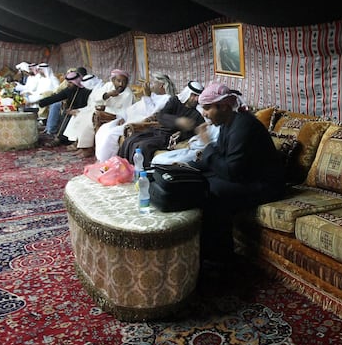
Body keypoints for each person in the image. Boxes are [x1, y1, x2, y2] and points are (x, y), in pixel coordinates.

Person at [190, 81, 285, 260]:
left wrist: (207, 145)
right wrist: (188, 168)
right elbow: (221, 157)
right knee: (195, 178)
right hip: (246, 177)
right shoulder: (228, 123)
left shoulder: (243, 126)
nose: (204, 113)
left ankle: (219, 259)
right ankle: (205, 252)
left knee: (213, 190)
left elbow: (231, 171)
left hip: (266, 185)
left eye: (207, 108)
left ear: (224, 106)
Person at [117, 80, 205, 166]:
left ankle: (143, 173)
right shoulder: (175, 101)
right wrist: (177, 121)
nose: (196, 99)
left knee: (144, 146)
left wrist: (182, 133)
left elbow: (195, 131)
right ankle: (122, 168)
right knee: (130, 140)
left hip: (169, 137)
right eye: (193, 95)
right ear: (188, 94)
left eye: (198, 96)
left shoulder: (198, 114)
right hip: (157, 130)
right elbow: (161, 116)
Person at [94, 72, 177, 162]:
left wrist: (147, 96)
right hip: (127, 119)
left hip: (140, 123)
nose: (151, 85)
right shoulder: (154, 95)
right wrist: (121, 116)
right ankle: (102, 159)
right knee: (104, 129)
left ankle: (106, 161)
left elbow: (152, 113)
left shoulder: (167, 99)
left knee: (111, 135)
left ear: (161, 85)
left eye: (154, 83)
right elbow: (133, 108)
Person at [63, 68, 134, 157]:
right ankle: (83, 147)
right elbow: (96, 97)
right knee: (82, 117)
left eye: (124, 82)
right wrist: (107, 95)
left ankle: (88, 149)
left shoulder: (128, 93)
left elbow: (125, 111)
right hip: (103, 112)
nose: (121, 84)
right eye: (118, 81)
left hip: (115, 116)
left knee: (90, 119)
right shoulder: (108, 86)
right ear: (113, 80)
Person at [36, 68, 91, 145]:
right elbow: (56, 97)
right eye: (68, 82)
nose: (68, 84)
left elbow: (89, 106)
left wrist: (76, 111)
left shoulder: (86, 91)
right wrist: (41, 102)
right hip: (70, 112)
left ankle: (60, 139)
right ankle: (60, 137)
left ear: (76, 82)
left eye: (70, 83)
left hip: (82, 113)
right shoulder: (68, 90)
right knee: (65, 114)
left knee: (70, 117)